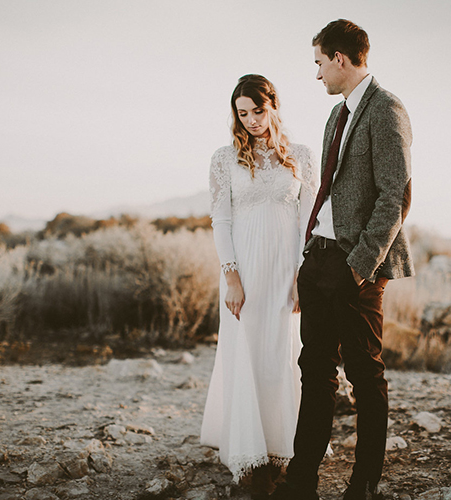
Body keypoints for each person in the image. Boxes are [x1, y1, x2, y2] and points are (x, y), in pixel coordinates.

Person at [271, 19, 414, 500]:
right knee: (314, 372)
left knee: (365, 375)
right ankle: (301, 482)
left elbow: (395, 195)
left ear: (339, 58)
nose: (316, 76)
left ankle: (364, 486)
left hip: (357, 266)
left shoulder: (387, 109)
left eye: (318, 63)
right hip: (319, 259)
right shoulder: (336, 115)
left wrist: (360, 265)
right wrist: (309, 252)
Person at [200, 74, 318, 498]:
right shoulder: (224, 158)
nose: (250, 120)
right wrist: (231, 275)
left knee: (279, 357)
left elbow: (310, 222)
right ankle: (251, 459)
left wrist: (305, 277)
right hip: (244, 273)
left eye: (257, 110)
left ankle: (280, 449)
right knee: (247, 355)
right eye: (242, 113)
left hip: (287, 271)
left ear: (274, 106)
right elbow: (222, 219)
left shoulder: (301, 156)